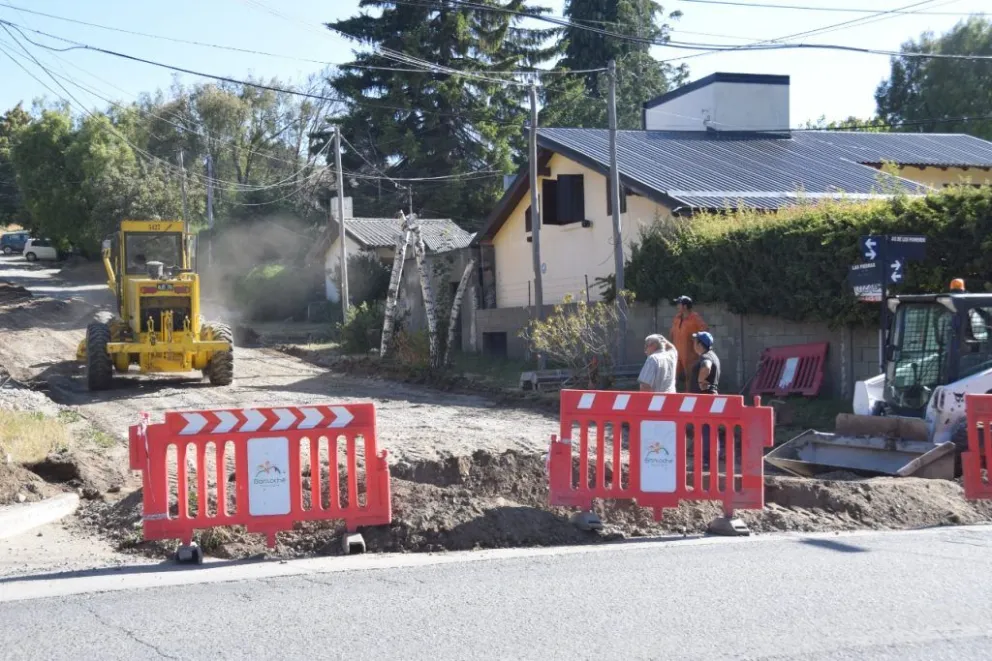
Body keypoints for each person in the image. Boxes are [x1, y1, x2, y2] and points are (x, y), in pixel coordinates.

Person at [669, 296, 708, 391]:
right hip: (676, 354)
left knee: (690, 378)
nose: (677, 306)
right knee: (673, 377)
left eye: (679, 304)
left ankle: (690, 398)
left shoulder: (695, 318)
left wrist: (695, 342)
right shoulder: (677, 317)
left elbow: (705, 331)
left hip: (690, 354)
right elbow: (672, 333)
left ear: (685, 306)